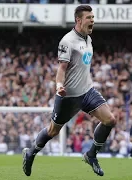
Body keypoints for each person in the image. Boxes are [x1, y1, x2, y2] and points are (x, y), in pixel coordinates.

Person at [22, 5, 116, 177]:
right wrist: (59, 85)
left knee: (110, 120)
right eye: (89, 18)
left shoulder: (88, 39)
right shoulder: (67, 41)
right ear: (78, 20)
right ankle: (31, 152)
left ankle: (91, 155)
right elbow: (62, 68)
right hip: (69, 97)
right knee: (53, 131)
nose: (92, 20)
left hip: (87, 92)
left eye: (93, 17)